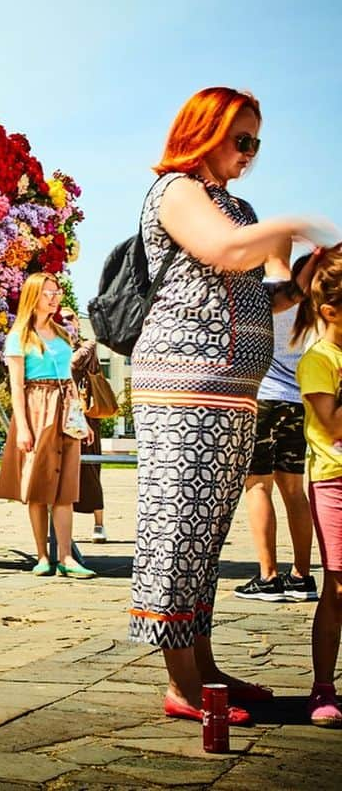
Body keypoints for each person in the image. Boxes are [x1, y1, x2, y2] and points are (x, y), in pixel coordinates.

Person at [128, 86, 338, 727]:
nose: (249, 153)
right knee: (176, 532)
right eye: (239, 139)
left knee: (205, 539)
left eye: (255, 142)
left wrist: (302, 274)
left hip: (232, 395)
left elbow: (263, 297)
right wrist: (294, 224)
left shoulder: (235, 205)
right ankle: (182, 686)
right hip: (183, 389)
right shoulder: (177, 191)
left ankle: (206, 668)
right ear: (203, 132)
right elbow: (221, 251)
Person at [0, 271, 96, 579]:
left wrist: (81, 419)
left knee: (66, 489)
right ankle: (42, 555)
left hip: (65, 407)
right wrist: (23, 428)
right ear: (33, 297)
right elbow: (15, 386)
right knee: (37, 486)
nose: (54, 298)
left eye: (56, 292)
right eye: (47, 293)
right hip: (36, 407)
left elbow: (71, 380)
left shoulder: (63, 334)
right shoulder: (19, 338)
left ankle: (67, 556)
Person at [234, 255, 317, 602]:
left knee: (258, 486)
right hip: (298, 401)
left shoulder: (264, 294)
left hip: (264, 398)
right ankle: (302, 575)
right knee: (295, 491)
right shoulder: (316, 304)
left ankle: (268, 576)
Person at [293, 248, 342, 728]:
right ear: (330, 312)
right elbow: (331, 425)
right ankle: (323, 687)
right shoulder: (319, 360)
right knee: (339, 587)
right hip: (334, 483)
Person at [64, 308, 107, 543]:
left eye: (69, 318)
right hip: (62, 414)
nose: (64, 322)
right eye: (60, 319)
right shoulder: (55, 346)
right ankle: (63, 526)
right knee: (64, 471)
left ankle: (99, 524)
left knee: (90, 468)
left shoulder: (87, 346)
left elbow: (72, 363)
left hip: (85, 414)